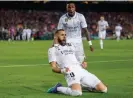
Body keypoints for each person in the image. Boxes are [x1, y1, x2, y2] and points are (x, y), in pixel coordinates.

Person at [47, 29, 107, 96]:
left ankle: (82, 86)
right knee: (77, 93)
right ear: (56, 36)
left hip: (80, 70)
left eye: (65, 35)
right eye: (62, 35)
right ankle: (58, 88)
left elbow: (76, 59)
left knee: (104, 89)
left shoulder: (70, 45)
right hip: (70, 72)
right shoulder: (52, 50)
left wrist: (82, 63)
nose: (64, 36)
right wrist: (63, 70)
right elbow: (53, 68)